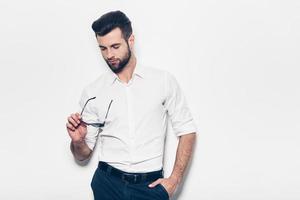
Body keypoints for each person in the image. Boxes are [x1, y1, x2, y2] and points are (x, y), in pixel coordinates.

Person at [66, 10, 197, 200]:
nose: (109, 54)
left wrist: (174, 180)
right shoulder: (93, 91)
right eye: (102, 48)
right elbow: (82, 156)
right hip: (107, 184)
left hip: (150, 187)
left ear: (131, 40)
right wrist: (78, 142)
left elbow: (187, 130)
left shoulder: (162, 81)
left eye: (115, 46)